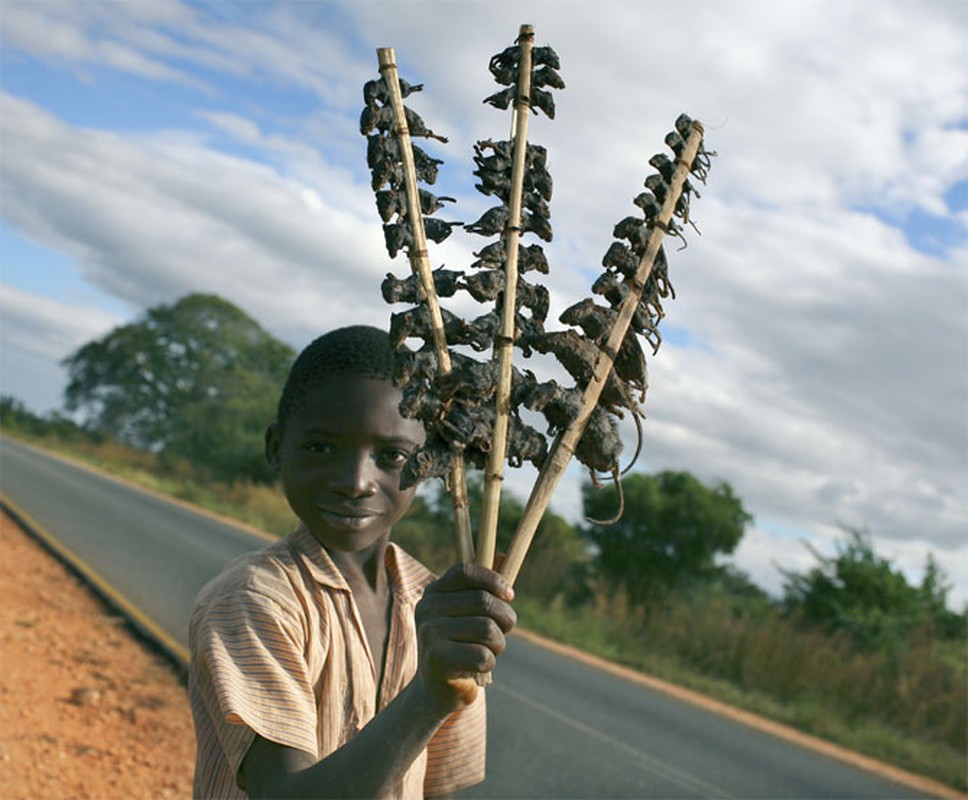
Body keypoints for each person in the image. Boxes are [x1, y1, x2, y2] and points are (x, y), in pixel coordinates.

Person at [189, 325, 516, 799]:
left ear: (430, 464)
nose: (356, 481)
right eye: (322, 447)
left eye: (392, 455)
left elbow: (432, 788)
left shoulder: (439, 607)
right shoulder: (253, 598)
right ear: (276, 447)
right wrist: (428, 695)